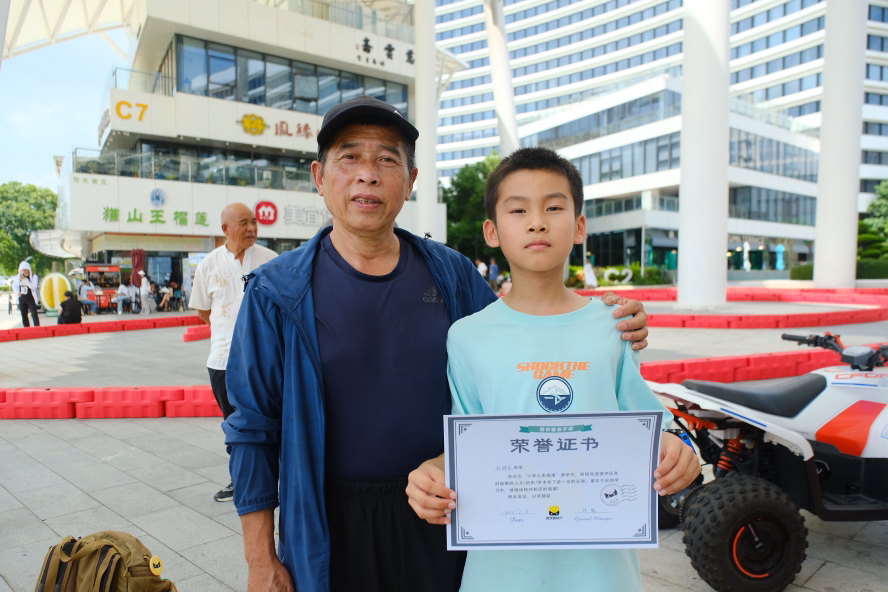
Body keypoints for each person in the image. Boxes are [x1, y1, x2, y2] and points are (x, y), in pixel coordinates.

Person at [223, 96, 650, 592]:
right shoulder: (277, 293)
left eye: (387, 159)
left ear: (411, 181)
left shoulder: (452, 274)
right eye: (350, 157)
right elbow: (251, 429)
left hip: (443, 511)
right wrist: (260, 559)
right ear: (320, 176)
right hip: (328, 523)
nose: (367, 175)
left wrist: (607, 321)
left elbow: (519, 340)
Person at [407, 147, 701, 591]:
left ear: (580, 226)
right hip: (501, 574)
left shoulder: (615, 325)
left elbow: (649, 430)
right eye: (518, 209)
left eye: (554, 207)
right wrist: (431, 474)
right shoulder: (466, 337)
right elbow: (468, 446)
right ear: (492, 231)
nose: (537, 222)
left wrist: (678, 452)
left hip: (602, 574)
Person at [189, 202, 277, 503]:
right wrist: (228, 331)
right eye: (244, 223)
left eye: (254, 222)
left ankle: (276, 479)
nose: (252, 228)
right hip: (223, 361)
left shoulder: (270, 260)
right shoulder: (208, 265)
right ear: (226, 229)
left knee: (271, 421)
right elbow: (203, 310)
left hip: (264, 360)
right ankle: (240, 480)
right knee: (235, 425)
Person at [11, 261, 40, 327]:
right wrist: (17, 292)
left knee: (34, 313)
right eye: (23, 270)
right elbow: (14, 285)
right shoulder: (18, 277)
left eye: (27, 270)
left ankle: (37, 327)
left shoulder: (33, 276)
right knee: (24, 315)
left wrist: (26, 280)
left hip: (31, 298)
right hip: (22, 298)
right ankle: (26, 328)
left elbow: (34, 287)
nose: (25, 271)